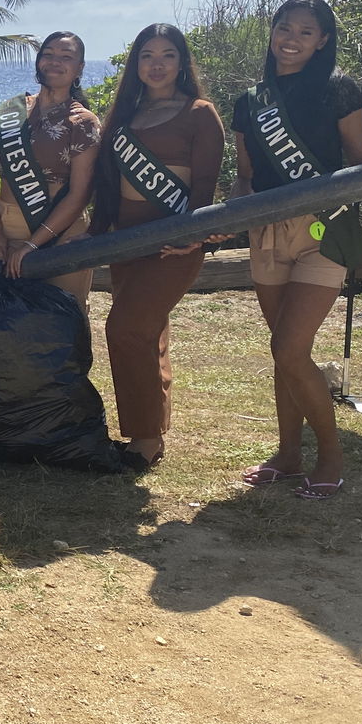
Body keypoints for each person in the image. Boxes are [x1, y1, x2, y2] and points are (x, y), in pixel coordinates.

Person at [226, 0, 362, 500]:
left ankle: (330, 455)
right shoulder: (250, 101)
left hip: (324, 232)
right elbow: (245, 178)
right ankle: (288, 455)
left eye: (305, 32)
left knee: (290, 347)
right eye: (284, 27)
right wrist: (230, 212)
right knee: (284, 353)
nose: (291, 38)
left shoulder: (338, 90)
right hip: (266, 233)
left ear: (323, 40)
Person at [91, 24, 226, 471]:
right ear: (136, 64)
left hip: (172, 242)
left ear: (182, 62)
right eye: (147, 55)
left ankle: (144, 437)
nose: (157, 64)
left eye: (168, 55)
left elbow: (204, 182)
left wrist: (193, 236)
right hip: (126, 239)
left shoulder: (200, 112)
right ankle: (153, 427)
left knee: (126, 328)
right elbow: (108, 181)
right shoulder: (125, 115)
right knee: (149, 332)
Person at [0, 31, 101, 308]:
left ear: (79, 68)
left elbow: (80, 193)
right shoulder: (9, 113)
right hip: (7, 231)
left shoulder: (83, 122)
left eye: (66, 57)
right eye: (48, 55)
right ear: (38, 61)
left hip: (62, 233)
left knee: (63, 323)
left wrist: (32, 245)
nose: (55, 62)